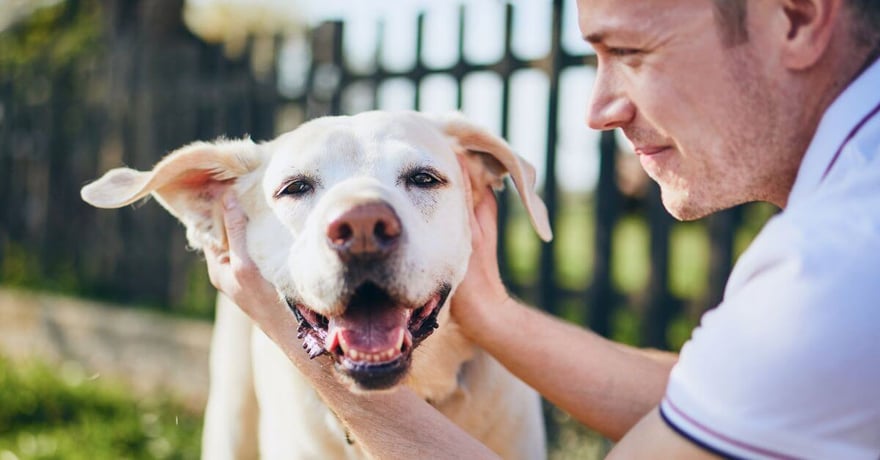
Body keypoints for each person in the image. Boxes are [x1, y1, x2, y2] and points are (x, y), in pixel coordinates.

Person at [204, 0, 880, 457]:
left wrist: (306, 352)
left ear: (793, 17)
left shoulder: (839, 262)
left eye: (632, 53)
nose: (599, 110)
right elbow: (735, 395)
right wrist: (492, 315)